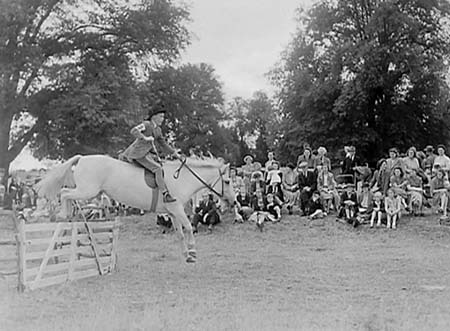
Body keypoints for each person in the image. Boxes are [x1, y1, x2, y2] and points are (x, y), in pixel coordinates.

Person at [121, 104, 180, 203]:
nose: (162, 119)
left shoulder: (158, 130)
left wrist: (175, 154)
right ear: (154, 116)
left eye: (163, 117)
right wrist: (145, 138)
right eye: (161, 116)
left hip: (147, 154)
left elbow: (163, 144)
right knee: (157, 169)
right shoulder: (147, 124)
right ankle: (165, 194)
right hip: (139, 153)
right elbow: (134, 130)